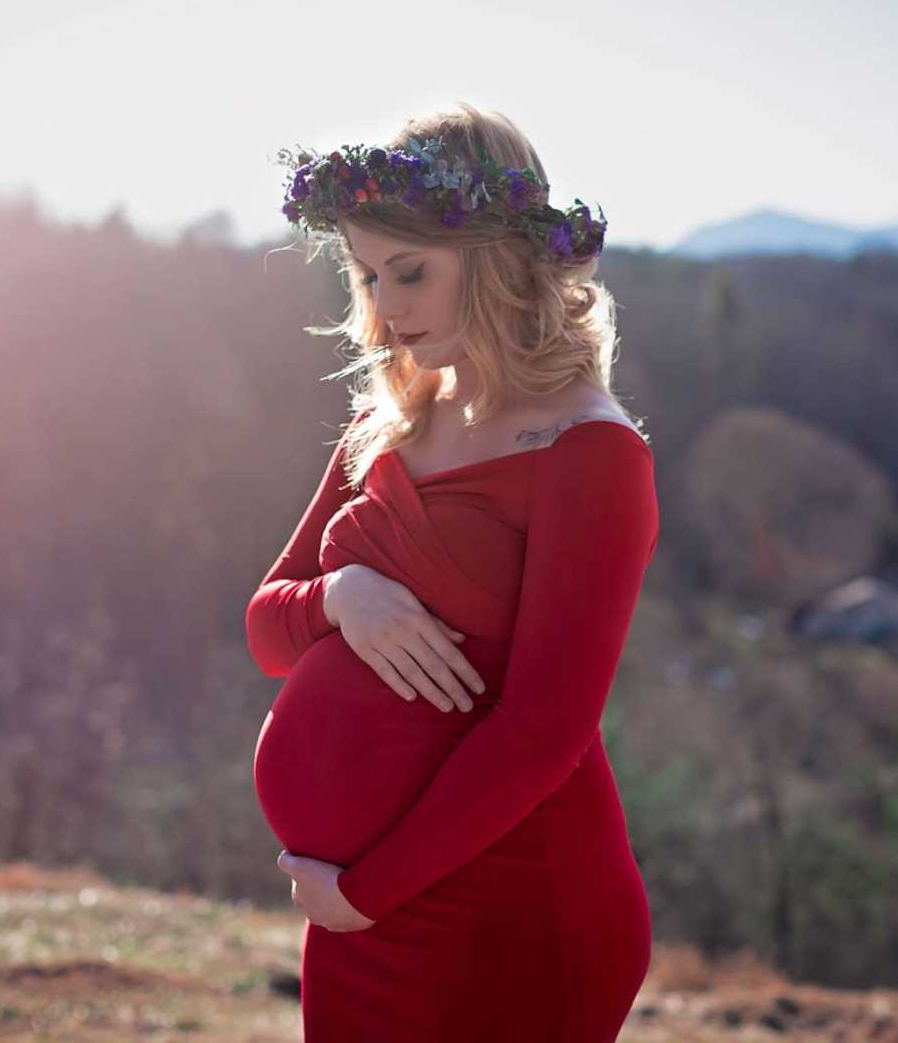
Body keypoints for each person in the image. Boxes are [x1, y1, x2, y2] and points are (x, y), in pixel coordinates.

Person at [246, 101, 659, 1041]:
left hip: (511, 912)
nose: (385, 307)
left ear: (498, 257)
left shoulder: (590, 452)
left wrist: (364, 890)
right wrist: (340, 598)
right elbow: (268, 629)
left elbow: (546, 730)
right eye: (366, 275)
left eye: (412, 271)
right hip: (362, 913)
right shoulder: (383, 425)